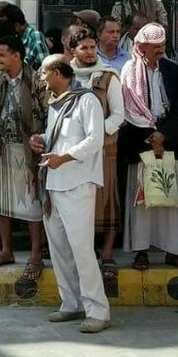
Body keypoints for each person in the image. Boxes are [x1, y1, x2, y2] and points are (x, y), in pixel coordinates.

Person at [32, 55, 111, 332]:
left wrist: (64, 158)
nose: (41, 78)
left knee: (81, 249)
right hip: (54, 183)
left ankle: (98, 311)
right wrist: (40, 140)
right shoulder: (57, 102)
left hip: (78, 184)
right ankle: (72, 303)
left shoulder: (86, 100)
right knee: (60, 250)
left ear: (56, 72)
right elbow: (58, 138)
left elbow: (95, 140)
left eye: (43, 73)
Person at [119, 22, 178, 272]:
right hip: (140, 141)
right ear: (141, 47)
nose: (160, 50)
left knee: (172, 199)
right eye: (155, 47)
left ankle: (175, 252)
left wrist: (163, 134)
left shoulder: (174, 70)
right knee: (142, 202)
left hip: (170, 139)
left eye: (162, 45)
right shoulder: (129, 71)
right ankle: (141, 251)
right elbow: (129, 108)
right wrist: (151, 136)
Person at [0, 36, 48, 279]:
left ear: (16, 56)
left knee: (32, 203)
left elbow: (48, 111)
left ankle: (35, 254)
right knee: (3, 201)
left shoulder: (37, 81)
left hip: (28, 150)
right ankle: (6, 250)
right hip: (2, 148)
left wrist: (41, 139)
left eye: (1, 55)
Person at [67, 28, 126, 279]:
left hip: (104, 149)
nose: (90, 53)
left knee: (107, 202)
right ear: (73, 50)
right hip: (73, 151)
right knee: (80, 204)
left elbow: (119, 115)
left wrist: (96, 134)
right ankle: (84, 253)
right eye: (84, 48)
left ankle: (107, 254)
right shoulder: (66, 76)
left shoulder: (109, 76)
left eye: (93, 48)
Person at [0, 2, 47, 70]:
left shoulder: (34, 36)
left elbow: (45, 67)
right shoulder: (16, 38)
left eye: (6, 25)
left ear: (16, 25)